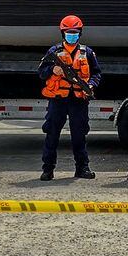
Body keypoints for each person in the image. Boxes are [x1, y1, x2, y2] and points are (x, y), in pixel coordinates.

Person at [37, 14, 101, 181]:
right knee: (52, 133)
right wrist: (52, 70)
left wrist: (91, 85)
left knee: (79, 134)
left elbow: (96, 73)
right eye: (69, 32)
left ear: (80, 33)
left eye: (75, 32)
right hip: (58, 99)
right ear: (63, 33)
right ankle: (48, 169)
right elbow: (41, 72)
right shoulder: (53, 51)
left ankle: (82, 168)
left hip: (78, 100)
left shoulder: (87, 52)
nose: (72, 35)